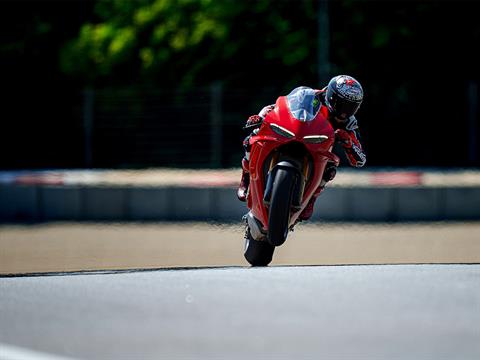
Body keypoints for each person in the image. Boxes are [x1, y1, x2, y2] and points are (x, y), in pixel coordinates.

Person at [237, 75, 367, 221]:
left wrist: (348, 142)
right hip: (292, 134)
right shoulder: (311, 96)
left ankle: (311, 199)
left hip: (317, 150)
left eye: (351, 107)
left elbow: (360, 159)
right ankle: (246, 177)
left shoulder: (349, 123)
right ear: (331, 96)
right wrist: (260, 117)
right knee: (251, 139)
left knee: (330, 169)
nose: (345, 112)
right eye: (341, 104)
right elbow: (278, 106)